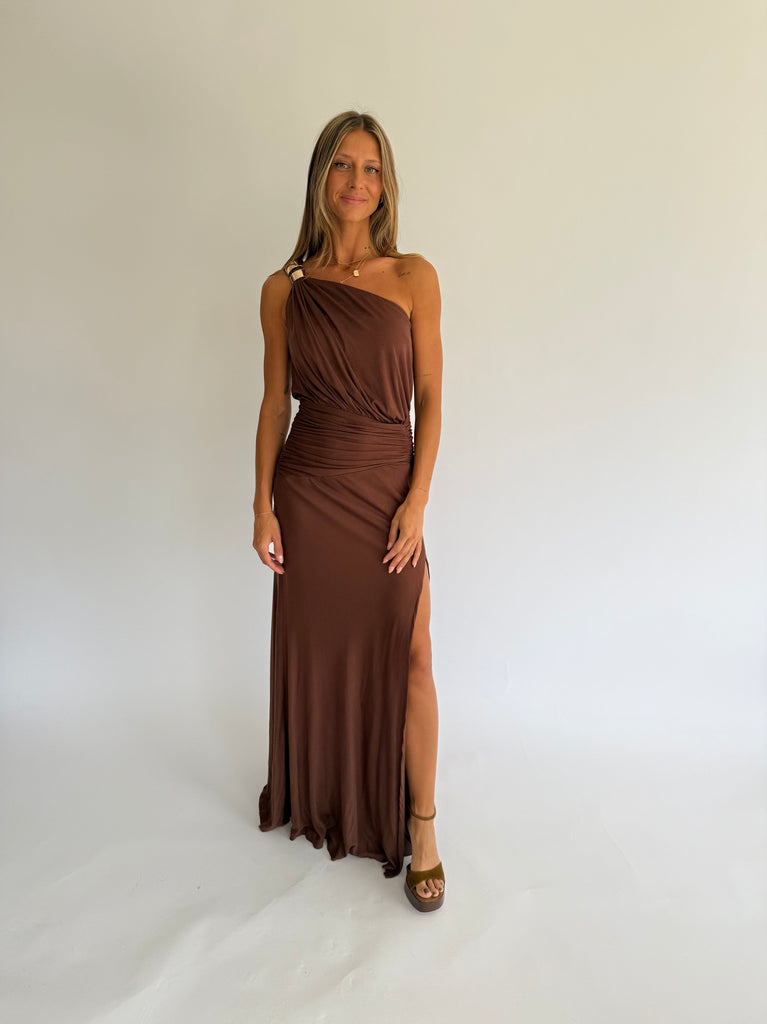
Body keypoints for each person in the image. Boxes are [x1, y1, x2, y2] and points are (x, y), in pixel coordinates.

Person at [253, 110, 445, 912]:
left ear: (385, 184)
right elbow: (275, 403)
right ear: (320, 178)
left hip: (386, 493)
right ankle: (326, 796)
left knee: (413, 656)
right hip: (309, 492)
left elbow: (428, 394)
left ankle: (422, 827)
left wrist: (417, 500)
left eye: (370, 168)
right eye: (342, 164)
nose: (356, 180)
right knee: (322, 652)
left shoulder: (414, 276)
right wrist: (261, 505)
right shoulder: (285, 291)